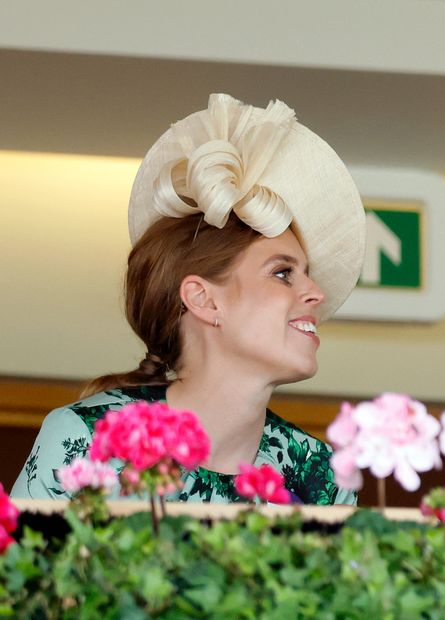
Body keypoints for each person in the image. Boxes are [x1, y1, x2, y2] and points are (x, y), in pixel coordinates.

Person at [12, 94, 366, 504]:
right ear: (204, 300)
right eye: (283, 272)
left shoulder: (322, 475)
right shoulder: (85, 442)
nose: (316, 293)